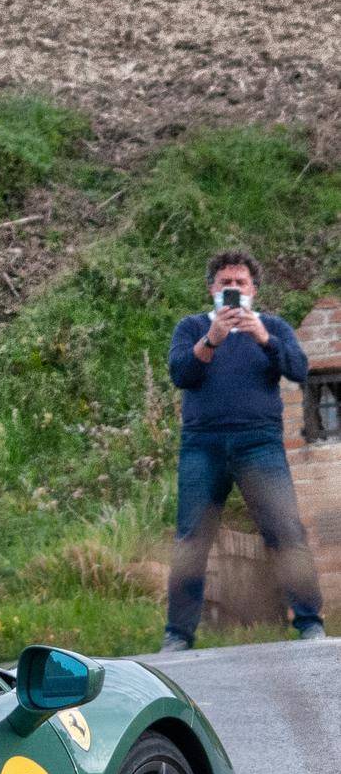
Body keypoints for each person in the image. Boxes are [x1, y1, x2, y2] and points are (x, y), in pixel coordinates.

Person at [162, 249, 325, 651]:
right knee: (191, 539)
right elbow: (181, 373)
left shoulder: (272, 326)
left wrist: (264, 338)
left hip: (260, 442)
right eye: (225, 283)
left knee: (287, 532)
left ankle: (309, 623)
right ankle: (178, 635)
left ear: (254, 290)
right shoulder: (191, 327)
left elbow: (299, 370)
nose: (232, 289)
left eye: (240, 283)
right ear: (211, 289)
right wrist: (211, 340)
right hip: (203, 444)